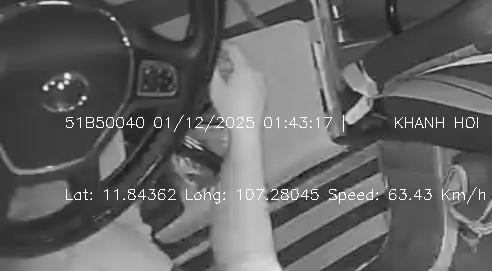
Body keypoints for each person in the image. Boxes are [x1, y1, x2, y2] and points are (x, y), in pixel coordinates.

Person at [3, 43, 283, 271]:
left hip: (35, 231)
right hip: (116, 227)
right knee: (86, 74)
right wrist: (243, 129)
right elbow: (247, 259)